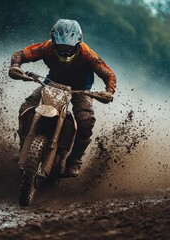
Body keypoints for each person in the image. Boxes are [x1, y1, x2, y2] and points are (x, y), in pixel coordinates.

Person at [9, 19, 116, 177]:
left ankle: (75, 161)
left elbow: (108, 74)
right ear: (53, 42)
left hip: (80, 89)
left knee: (85, 119)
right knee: (27, 107)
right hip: (52, 83)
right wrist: (15, 66)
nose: (65, 52)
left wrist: (109, 92)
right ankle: (22, 146)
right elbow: (21, 54)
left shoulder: (88, 54)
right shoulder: (46, 47)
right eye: (61, 47)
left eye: (69, 48)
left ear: (78, 44)